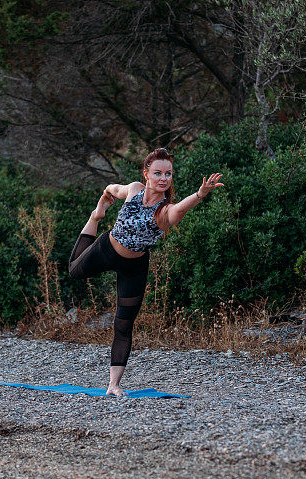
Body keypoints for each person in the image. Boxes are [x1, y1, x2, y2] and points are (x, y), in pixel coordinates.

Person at [68, 147, 224, 396]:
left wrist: (200, 193)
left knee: (124, 323)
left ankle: (113, 384)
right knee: (74, 271)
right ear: (146, 174)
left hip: (135, 265)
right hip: (107, 248)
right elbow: (111, 189)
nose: (164, 178)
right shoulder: (133, 189)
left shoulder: (164, 211)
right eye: (158, 173)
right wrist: (102, 205)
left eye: (169, 174)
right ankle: (93, 218)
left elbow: (180, 210)